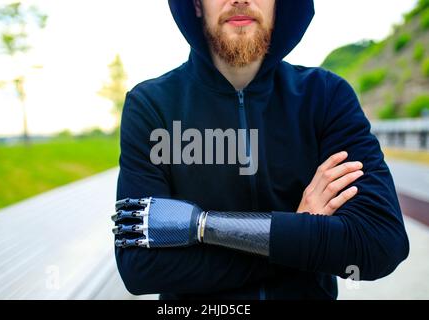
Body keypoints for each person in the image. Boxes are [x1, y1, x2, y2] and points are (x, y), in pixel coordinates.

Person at [114, 0, 409, 299]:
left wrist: (201, 228)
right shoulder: (151, 106)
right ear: (196, 4)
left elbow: (381, 243)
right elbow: (140, 266)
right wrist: (299, 232)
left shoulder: (326, 96)